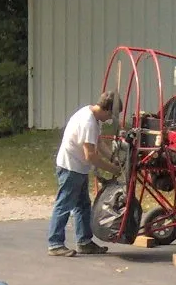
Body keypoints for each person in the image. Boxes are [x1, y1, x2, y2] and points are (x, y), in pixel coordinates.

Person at [47, 91, 122, 257]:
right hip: (71, 167)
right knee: (64, 204)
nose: (110, 119)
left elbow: (98, 142)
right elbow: (91, 156)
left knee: (82, 205)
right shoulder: (88, 122)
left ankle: (84, 242)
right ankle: (55, 243)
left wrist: (112, 157)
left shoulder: (92, 116)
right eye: (111, 115)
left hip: (78, 167)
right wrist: (112, 169)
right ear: (107, 109)